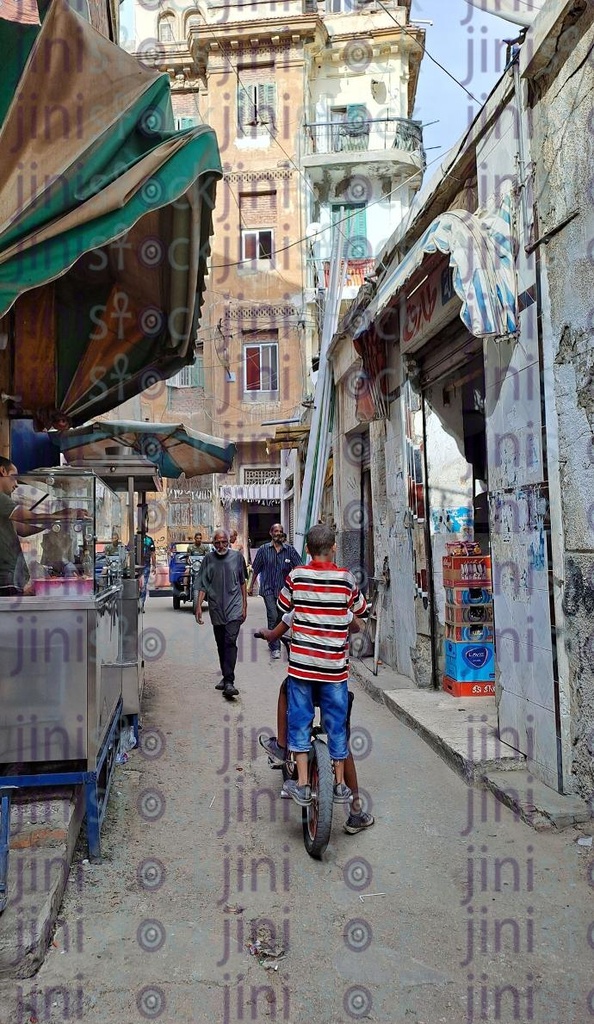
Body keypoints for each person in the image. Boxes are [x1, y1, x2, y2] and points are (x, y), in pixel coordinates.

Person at [273, 523, 368, 807]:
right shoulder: (346, 579)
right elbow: (361, 612)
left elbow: (283, 606)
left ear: (307, 550)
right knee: (336, 725)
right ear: (334, 548)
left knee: (300, 721)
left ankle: (301, 783)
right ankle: (339, 785)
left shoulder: (296, 576)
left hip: (302, 668)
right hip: (335, 670)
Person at [256, 612, 374, 834]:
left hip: (304, 681)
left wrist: (267, 634)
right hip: (334, 684)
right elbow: (357, 626)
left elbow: (275, 634)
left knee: (286, 689)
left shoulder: (297, 606)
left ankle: (282, 746)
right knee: (341, 738)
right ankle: (356, 811)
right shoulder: (340, 604)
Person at [0, 457, 90, 597]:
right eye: (14, 477)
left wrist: (57, 518)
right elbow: (28, 518)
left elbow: (23, 529)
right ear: (3, 471)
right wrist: (62, 516)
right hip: (5, 577)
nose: (16, 484)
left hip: (12, 577)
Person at [195, 529, 248, 699]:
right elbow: (203, 584)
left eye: (224, 542)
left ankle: (230, 682)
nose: (221, 545)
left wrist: (244, 606)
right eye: (217, 542)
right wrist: (197, 607)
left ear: (229, 541)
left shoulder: (237, 558)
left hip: (234, 607)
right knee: (220, 643)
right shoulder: (208, 559)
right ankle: (226, 677)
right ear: (213, 544)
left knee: (230, 641)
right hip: (216, 607)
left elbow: (242, 583)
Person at [248, 523, 301, 660]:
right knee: (272, 615)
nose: (278, 533)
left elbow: (299, 568)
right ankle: (275, 647)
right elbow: (256, 569)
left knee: (281, 617)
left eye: (281, 531)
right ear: (271, 533)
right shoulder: (263, 550)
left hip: (285, 591)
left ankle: (278, 638)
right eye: (276, 531)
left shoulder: (290, 550)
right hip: (268, 589)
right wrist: (250, 585)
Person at [140, 533, 156, 610]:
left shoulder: (149, 540)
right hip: (135, 566)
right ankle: (138, 603)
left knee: (144, 584)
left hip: (145, 565)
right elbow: (129, 552)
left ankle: (141, 604)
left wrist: (154, 566)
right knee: (138, 585)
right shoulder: (134, 539)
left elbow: (153, 553)